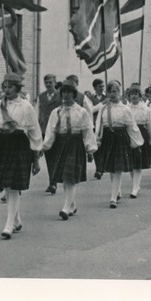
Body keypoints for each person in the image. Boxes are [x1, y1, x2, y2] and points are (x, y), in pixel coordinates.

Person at [0, 73, 43, 239]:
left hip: (19, 145)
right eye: (5, 86)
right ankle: (16, 219)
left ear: (17, 88)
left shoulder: (26, 107)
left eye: (10, 87)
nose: (7, 90)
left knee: (13, 185)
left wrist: (36, 158)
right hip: (1, 145)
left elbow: (34, 132)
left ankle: (8, 225)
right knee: (7, 183)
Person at [42, 79, 97, 220]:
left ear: (74, 94)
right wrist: (45, 146)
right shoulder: (57, 112)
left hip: (75, 144)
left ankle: (66, 207)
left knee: (70, 176)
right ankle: (71, 204)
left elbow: (87, 130)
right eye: (64, 92)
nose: (66, 95)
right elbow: (51, 130)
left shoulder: (82, 112)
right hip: (61, 144)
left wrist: (89, 148)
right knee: (65, 177)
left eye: (69, 92)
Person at [94, 81, 143, 208]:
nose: (112, 94)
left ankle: (113, 198)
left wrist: (137, 143)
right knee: (111, 168)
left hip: (121, 138)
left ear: (119, 92)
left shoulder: (125, 109)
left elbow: (132, 126)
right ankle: (117, 191)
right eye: (110, 91)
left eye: (115, 91)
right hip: (107, 139)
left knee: (117, 168)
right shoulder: (104, 108)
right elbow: (99, 125)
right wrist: (97, 139)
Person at [126, 84, 151, 198]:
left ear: (140, 96)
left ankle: (135, 186)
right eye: (131, 94)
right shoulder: (126, 108)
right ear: (128, 96)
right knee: (130, 163)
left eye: (136, 94)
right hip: (129, 135)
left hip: (141, 135)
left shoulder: (146, 109)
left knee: (138, 163)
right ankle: (134, 183)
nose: (134, 96)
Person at [36, 73, 61, 194]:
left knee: (57, 157)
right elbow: (37, 113)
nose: (48, 85)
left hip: (57, 130)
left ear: (55, 83)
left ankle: (55, 180)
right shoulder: (41, 97)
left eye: (50, 82)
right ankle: (52, 182)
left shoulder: (61, 96)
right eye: (46, 82)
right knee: (49, 157)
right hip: (45, 130)